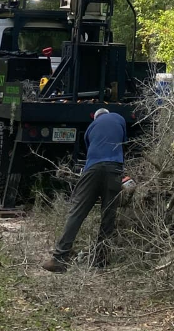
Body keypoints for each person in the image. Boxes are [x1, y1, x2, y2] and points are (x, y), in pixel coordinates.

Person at [43, 107, 127, 271]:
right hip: (114, 169)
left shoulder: (89, 129)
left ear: (95, 118)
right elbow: (123, 142)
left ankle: (59, 258)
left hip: (92, 170)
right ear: (107, 114)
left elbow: (91, 150)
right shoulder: (119, 118)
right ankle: (101, 260)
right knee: (108, 215)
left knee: (77, 211)